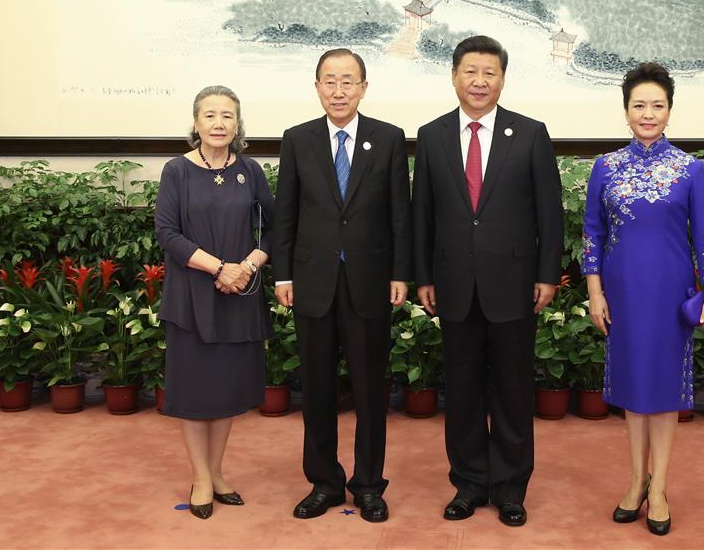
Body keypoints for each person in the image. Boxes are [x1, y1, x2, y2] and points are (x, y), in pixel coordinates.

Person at [412, 35, 564, 527]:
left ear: (503, 78)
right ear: (454, 75)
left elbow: (549, 213)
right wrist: (423, 277)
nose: (480, 81)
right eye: (470, 71)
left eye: (490, 73)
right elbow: (423, 217)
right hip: (454, 284)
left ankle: (511, 488)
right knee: (461, 391)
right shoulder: (432, 135)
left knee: (514, 392)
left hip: (516, 283)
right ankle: (469, 483)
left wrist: (547, 275)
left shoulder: (531, 133)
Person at [582, 62, 704, 536]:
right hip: (621, 294)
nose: (648, 113)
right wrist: (595, 293)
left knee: (662, 394)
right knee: (632, 392)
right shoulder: (605, 167)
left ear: (669, 111)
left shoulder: (690, 169)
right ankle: (635, 481)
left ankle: (659, 486)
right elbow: (592, 236)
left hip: (670, 295)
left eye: (657, 105)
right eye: (639, 105)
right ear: (625, 111)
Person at [272, 48, 412, 523]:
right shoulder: (298, 139)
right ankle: (325, 483)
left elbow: (400, 215)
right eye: (329, 81)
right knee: (316, 389)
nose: (339, 90)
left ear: (364, 87)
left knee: (372, 390)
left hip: (370, 283)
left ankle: (369, 484)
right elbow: (285, 214)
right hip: (312, 283)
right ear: (316, 87)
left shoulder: (388, 139)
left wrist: (399, 272)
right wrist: (284, 274)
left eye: (348, 81)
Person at [155, 85, 274, 520]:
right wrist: (219, 268)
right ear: (196, 122)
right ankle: (200, 477)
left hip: (238, 295)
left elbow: (273, 230)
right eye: (210, 115)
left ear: (238, 123)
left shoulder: (251, 170)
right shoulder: (177, 171)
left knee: (225, 389)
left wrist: (247, 265)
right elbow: (166, 232)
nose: (219, 123)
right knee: (194, 389)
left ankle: (219, 473)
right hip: (192, 296)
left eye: (227, 115)